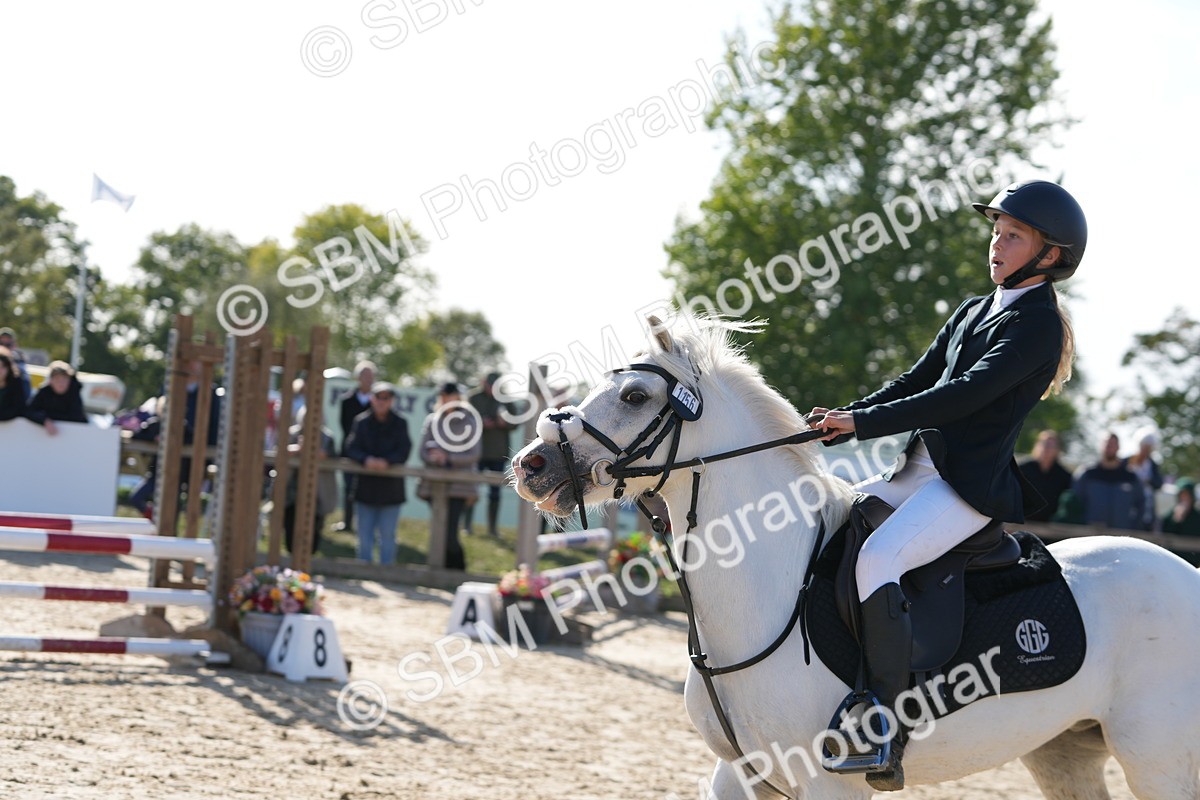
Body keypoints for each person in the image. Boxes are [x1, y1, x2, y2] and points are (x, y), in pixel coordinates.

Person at [810, 179, 1086, 790]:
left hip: (965, 491)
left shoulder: (1037, 325)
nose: (997, 242)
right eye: (996, 231)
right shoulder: (974, 308)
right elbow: (917, 379)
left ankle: (884, 721)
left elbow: (961, 397)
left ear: (1049, 256)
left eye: (1014, 235)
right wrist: (840, 419)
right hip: (917, 471)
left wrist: (862, 424)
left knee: (881, 556)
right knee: (832, 523)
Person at [344, 381, 411, 564]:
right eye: (378, 397)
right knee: (364, 534)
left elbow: (404, 451)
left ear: (391, 400)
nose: (382, 401)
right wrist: (366, 459)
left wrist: (386, 462)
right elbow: (351, 447)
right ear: (372, 399)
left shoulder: (400, 423)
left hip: (391, 490)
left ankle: (386, 572)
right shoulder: (361, 422)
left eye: (386, 398)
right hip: (365, 488)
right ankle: (364, 571)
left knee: (387, 535)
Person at [417, 382, 482, 571]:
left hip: (460, 486)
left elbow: (474, 454)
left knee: (450, 534)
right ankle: (443, 571)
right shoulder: (432, 420)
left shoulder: (470, 421)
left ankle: (456, 571)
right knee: (439, 530)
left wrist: (448, 458)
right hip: (435, 484)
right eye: (443, 395)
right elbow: (422, 451)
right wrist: (434, 457)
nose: (446, 399)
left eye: (450, 395)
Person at [465, 371, 516, 536]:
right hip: (476, 451)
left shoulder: (506, 399)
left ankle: (492, 529)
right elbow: (464, 419)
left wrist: (504, 422)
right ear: (483, 382)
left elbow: (516, 422)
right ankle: (467, 525)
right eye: (489, 385)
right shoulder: (473, 398)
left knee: (495, 492)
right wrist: (481, 422)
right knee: (472, 489)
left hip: (497, 452)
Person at [282, 407, 337, 557]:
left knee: (314, 527)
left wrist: (311, 450)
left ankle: (308, 558)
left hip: (317, 491)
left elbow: (330, 455)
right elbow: (280, 450)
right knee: (290, 525)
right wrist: (298, 448)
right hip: (292, 490)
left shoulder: (326, 437)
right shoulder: (293, 433)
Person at [1072, 432, 1144, 530]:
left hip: (1121, 536)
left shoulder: (1131, 477)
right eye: (1107, 443)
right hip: (1091, 536)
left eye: (1113, 444)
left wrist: (1133, 527)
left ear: (1118, 447)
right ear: (1101, 446)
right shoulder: (1087, 474)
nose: (1110, 447)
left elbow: (1141, 505)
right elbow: (1074, 503)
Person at [337, 360, 376, 533]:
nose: (367, 379)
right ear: (358, 377)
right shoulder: (347, 400)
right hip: (350, 452)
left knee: (370, 490)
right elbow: (344, 425)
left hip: (372, 453)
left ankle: (366, 525)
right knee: (349, 488)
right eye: (364, 375)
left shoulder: (377, 402)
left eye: (370, 376)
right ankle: (347, 522)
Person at [1017, 429, 1073, 522]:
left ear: (1058, 450)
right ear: (1037, 445)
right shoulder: (1022, 469)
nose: (1047, 448)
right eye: (1044, 444)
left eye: (1051, 445)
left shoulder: (1064, 476)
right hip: (1023, 522)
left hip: (1052, 528)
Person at [0, 347, 52, 433]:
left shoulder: (17, 383)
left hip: (14, 431)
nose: (0, 371)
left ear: (9, 368)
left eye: (3, 367)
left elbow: (19, 408)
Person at [29, 360, 88, 435]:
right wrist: (44, 420)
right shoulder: (44, 392)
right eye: (57, 379)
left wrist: (51, 417)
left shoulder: (74, 393)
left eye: (64, 379)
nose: (61, 383)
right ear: (51, 380)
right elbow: (30, 410)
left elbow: (77, 417)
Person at [1122, 427, 1164, 531]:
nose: (1146, 450)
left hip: (1147, 508)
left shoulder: (1153, 465)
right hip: (1128, 506)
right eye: (1144, 447)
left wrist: (1148, 481)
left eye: (1149, 448)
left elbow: (1159, 483)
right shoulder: (1127, 461)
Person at [1162, 478, 1200, 566]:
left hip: (1194, 562)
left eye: (1187, 495)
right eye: (1182, 495)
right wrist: (1176, 520)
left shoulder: (1197, 517)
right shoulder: (1170, 516)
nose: (1184, 498)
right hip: (1175, 562)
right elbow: (1166, 537)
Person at [0, 328, 31, 400]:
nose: (3, 347)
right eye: (1, 343)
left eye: (8, 344)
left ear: (14, 345)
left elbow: (25, 396)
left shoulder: (21, 368)